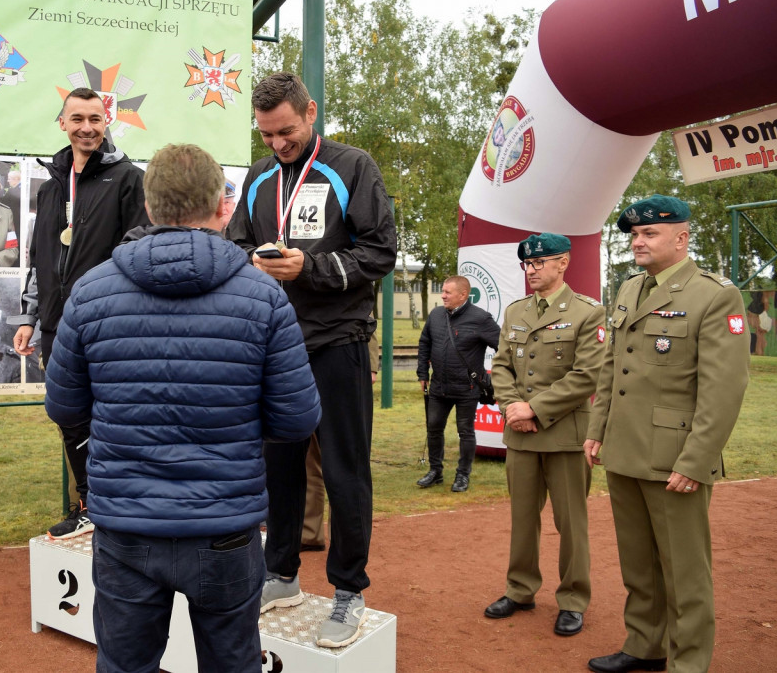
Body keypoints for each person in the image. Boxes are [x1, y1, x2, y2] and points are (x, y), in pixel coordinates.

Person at [44, 143, 320, 673]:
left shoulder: (91, 292)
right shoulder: (263, 297)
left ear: (149, 208)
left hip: (127, 527)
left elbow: (64, 405)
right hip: (225, 528)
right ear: (223, 207)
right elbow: (296, 419)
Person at [226, 71, 396, 648]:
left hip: (336, 342)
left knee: (346, 472)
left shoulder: (352, 167)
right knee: (279, 468)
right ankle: (281, 574)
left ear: (311, 112)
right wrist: (253, 260)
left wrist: (311, 268)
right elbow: (234, 244)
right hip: (274, 346)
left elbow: (380, 251)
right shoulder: (257, 177)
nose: (278, 144)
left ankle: (348, 590)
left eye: (287, 131)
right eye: (267, 134)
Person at [584, 194, 750, 673]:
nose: (638, 241)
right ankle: (644, 644)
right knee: (638, 564)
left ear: (682, 237)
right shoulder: (630, 289)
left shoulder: (714, 295)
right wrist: (598, 430)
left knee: (685, 571)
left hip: (674, 456)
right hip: (624, 449)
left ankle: (689, 662)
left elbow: (723, 388)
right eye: (634, 235)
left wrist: (696, 460)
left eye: (649, 233)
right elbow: (612, 367)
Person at [9, 87, 150, 540]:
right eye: (77, 119)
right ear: (62, 123)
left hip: (110, 323)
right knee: (70, 417)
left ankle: (128, 505)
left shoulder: (129, 178)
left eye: (95, 118)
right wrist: (29, 316)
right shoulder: (51, 189)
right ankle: (88, 503)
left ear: (106, 121)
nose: (86, 127)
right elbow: (39, 258)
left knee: (117, 415)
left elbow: (138, 248)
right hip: (57, 325)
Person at [484, 233, 605, 637]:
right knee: (522, 519)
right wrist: (512, 409)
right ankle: (520, 590)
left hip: (566, 436)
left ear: (563, 263)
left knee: (571, 522)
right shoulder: (517, 311)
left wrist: (534, 408)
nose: (532, 271)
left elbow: (587, 374)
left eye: (540, 263)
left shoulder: (588, 312)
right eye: (527, 265)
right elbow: (501, 367)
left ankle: (573, 599)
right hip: (520, 435)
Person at [416, 275, 500, 493]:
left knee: (465, 432)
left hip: (467, 389)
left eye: (447, 292)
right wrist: (422, 373)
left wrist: (500, 379)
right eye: (442, 291)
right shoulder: (435, 315)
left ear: (463, 295)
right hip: (438, 387)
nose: (442, 295)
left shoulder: (481, 318)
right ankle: (435, 472)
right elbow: (425, 342)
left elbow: (504, 347)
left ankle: (462, 476)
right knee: (433, 428)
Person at [302, 333, 379, 552]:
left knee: (342, 460)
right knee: (309, 457)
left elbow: (365, 319)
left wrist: (371, 365)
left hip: (343, 364)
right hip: (305, 363)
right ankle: (309, 532)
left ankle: (346, 539)